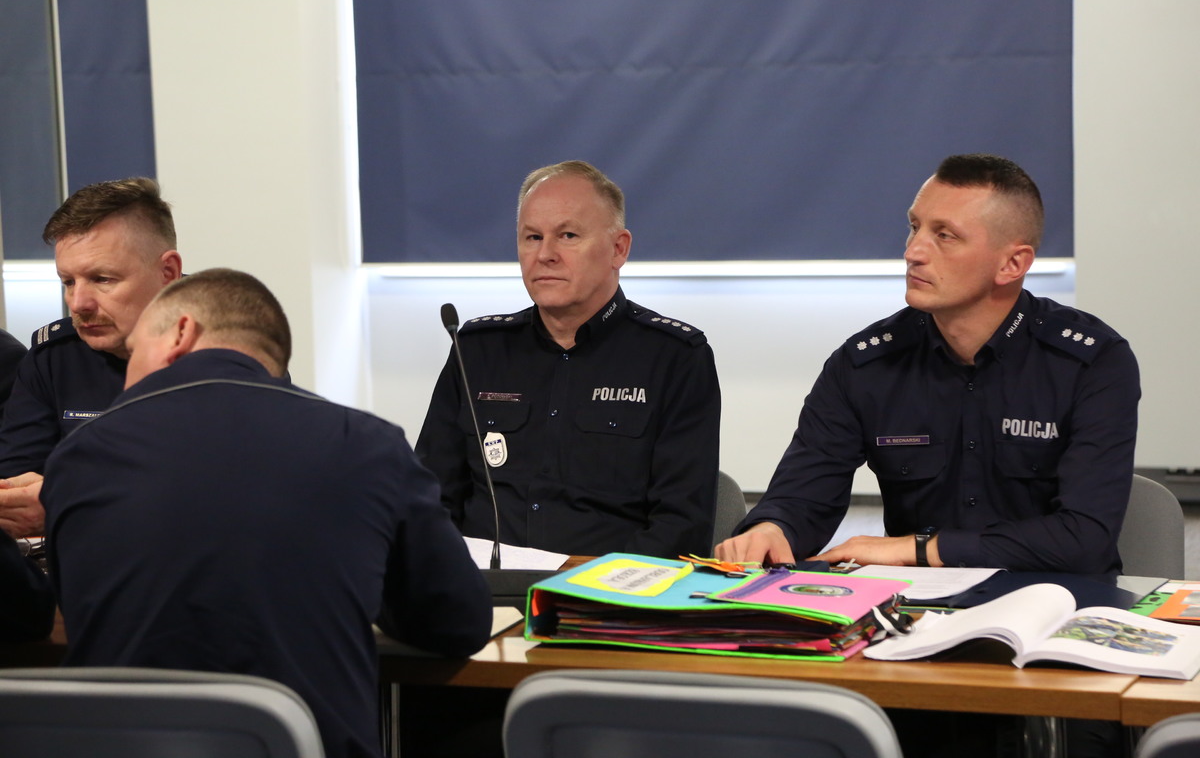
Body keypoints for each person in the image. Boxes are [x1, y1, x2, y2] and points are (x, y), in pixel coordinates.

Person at [39, 268, 491, 758]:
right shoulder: (368, 445)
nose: (126, 381)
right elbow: (459, 622)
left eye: (134, 352)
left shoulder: (77, 457)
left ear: (181, 333)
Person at [717, 154, 1140, 575]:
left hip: (1060, 602)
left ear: (1012, 264)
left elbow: (1083, 538)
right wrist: (773, 527)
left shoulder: (1092, 362)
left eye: (945, 236)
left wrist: (920, 549)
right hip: (914, 607)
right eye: (914, 226)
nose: (913, 251)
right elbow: (805, 494)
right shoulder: (866, 363)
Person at [416, 160, 721, 558]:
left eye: (568, 235)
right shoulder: (475, 349)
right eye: (532, 237)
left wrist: (584, 581)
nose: (545, 254)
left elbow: (681, 527)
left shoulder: (675, 358)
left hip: (609, 590)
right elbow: (428, 501)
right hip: (482, 586)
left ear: (618, 249)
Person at [0, 177, 183, 538]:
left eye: (102, 279)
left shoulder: (230, 347)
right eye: (68, 282)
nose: (78, 303)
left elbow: (228, 484)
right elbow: (14, 482)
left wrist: (69, 501)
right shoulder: (54, 358)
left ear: (168, 273)